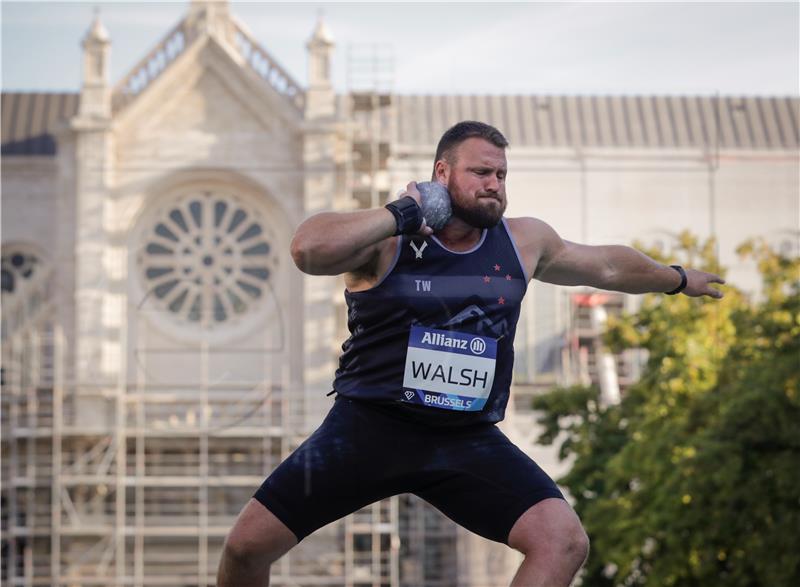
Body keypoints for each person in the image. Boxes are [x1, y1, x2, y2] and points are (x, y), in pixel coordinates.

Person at [217, 121, 725, 587]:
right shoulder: (389, 240)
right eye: (481, 171)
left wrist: (677, 279)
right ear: (442, 173)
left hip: (464, 439)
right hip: (369, 429)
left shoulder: (523, 241)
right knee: (244, 550)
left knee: (563, 541)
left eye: (502, 174)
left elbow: (608, 268)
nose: (494, 184)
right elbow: (307, 250)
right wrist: (399, 216)